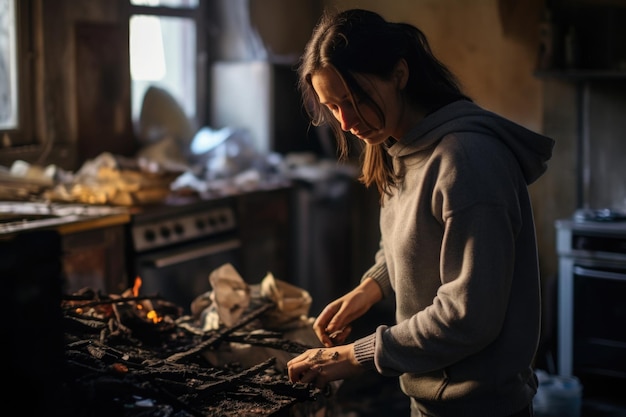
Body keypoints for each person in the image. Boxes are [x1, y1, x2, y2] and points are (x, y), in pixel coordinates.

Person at [286, 8, 555, 417]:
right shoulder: (395, 145)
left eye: (356, 98)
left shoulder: (467, 161)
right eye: (333, 107)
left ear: (399, 73)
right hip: (430, 398)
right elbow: (410, 240)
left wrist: (356, 354)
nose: (347, 121)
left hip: (481, 407)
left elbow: (467, 317)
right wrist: (370, 288)